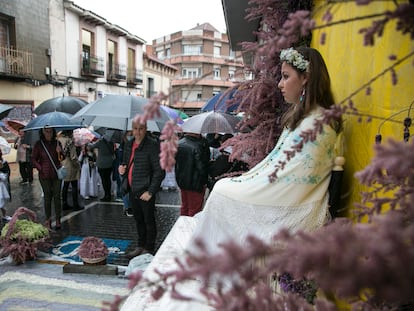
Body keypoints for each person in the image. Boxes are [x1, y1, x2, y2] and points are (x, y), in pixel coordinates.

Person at [185, 46, 342, 255]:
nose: (280, 84)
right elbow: (276, 165)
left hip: (297, 204)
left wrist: (248, 186)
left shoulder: (318, 124)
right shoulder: (304, 118)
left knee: (222, 192)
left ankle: (211, 262)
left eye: (286, 77)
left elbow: (293, 179)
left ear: (306, 78)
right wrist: (248, 182)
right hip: (283, 192)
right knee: (223, 188)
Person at [119, 116, 165, 258]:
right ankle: (140, 245)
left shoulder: (152, 145)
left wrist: (151, 192)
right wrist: (122, 169)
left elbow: (159, 171)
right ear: (132, 129)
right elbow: (126, 163)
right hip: (133, 189)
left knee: (149, 220)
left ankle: (149, 248)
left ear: (146, 129)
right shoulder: (129, 143)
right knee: (138, 219)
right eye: (135, 129)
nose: (137, 132)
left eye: (141, 129)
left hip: (145, 190)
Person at [32, 127, 65, 230]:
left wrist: (60, 152)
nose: (48, 133)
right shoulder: (39, 144)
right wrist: (40, 168)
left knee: (57, 197)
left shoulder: (57, 143)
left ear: (53, 132)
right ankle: (48, 219)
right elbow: (33, 159)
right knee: (47, 197)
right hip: (44, 175)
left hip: (56, 174)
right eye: (46, 131)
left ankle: (58, 219)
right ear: (42, 132)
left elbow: (62, 158)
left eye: (50, 131)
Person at [174, 132, 210, 216]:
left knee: (185, 207)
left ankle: (182, 227)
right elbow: (201, 168)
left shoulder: (179, 143)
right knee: (194, 210)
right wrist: (205, 181)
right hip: (196, 183)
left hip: (182, 181)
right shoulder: (198, 146)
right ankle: (191, 228)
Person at [58, 130, 82, 211]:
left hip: (62, 163)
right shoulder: (69, 141)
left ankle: (64, 203)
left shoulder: (58, 140)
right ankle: (76, 204)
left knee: (65, 184)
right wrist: (78, 165)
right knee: (74, 184)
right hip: (70, 165)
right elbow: (73, 156)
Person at [90, 135, 115, 202]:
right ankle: (109, 194)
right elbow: (113, 151)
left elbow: (91, 146)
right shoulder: (111, 142)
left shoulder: (100, 142)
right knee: (108, 179)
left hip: (101, 164)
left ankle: (106, 195)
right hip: (109, 163)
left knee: (104, 180)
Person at [0, 149, 11, 222]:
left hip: (1, 186)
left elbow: (6, 174)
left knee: (1, 201)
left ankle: (4, 215)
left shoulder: (3, 162)